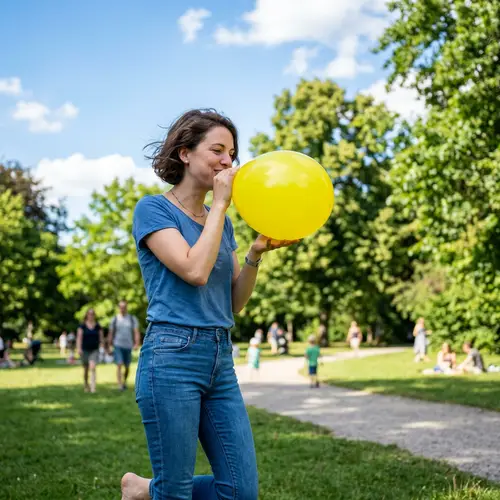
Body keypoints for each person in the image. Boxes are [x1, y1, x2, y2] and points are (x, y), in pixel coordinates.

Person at [122, 108, 298, 500]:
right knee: (176, 493)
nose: (228, 162)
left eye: (232, 153)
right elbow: (195, 270)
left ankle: (144, 489)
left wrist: (254, 253)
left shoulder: (223, 224)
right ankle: (158, 489)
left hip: (220, 357)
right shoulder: (153, 210)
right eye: (217, 150)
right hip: (171, 357)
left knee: (240, 491)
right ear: (185, 153)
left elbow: (234, 302)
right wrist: (219, 205)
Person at [108, 299, 141, 391]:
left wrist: (136, 343)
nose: (122, 309)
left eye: (124, 307)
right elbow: (111, 333)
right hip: (117, 344)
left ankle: (124, 382)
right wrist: (109, 346)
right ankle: (120, 385)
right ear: (119, 308)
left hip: (128, 345)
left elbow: (136, 332)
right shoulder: (114, 319)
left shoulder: (132, 319)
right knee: (119, 364)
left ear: (126, 307)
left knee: (127, 366)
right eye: (121, 307)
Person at [76, 308, 104, 393]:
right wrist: (79, 348)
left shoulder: (98, 326)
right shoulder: (82, 326)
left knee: (93, 367)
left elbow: (101, 338)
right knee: (86, 369)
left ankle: (93, 387)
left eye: (92, 314)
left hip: (94, 349)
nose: (91, 316)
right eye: (89, 314)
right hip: (85, 350)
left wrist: (102, 346)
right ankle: (86, 384)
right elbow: (79, 338)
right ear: (87, 315)